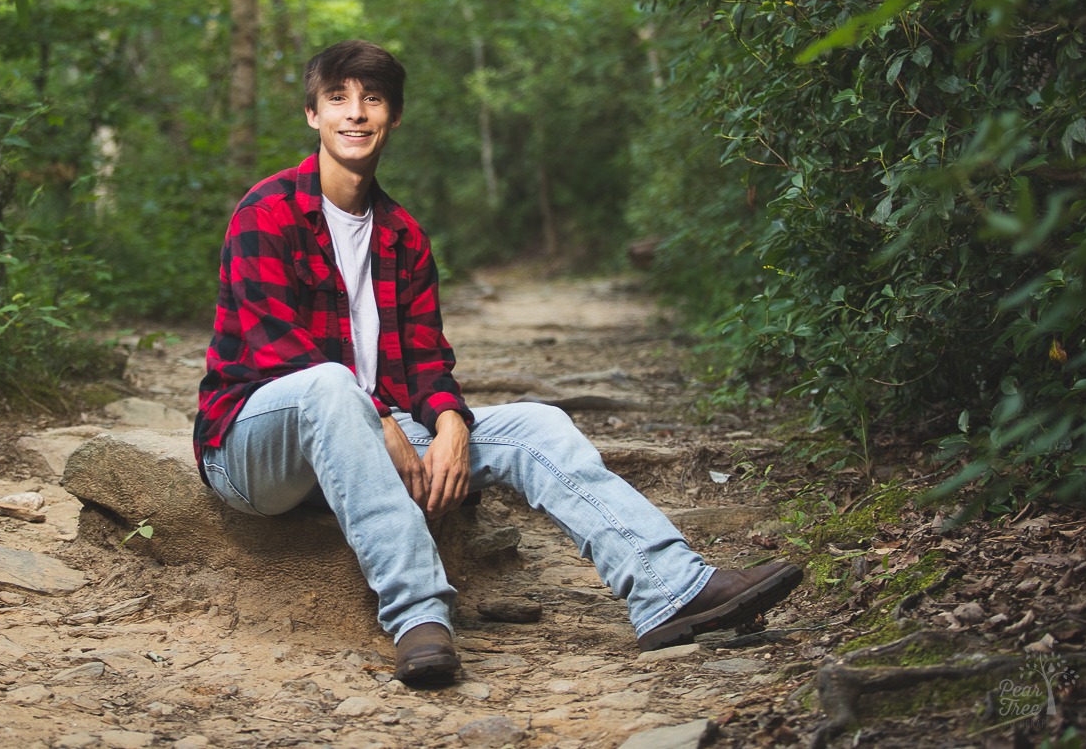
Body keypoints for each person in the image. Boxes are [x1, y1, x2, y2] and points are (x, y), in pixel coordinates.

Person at [194, 39, 801, 684]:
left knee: (536, 425)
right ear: (312, 115)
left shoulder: (404, 236)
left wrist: (451, 422)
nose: (356, 113)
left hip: (368, 445)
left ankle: (671, 588)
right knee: (328, 384)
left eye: (372, 99)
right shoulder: (268, 212)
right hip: (255, 452)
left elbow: (425, 358)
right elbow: (277, 349)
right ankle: (418, 616)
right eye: (337, 98)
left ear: (394, 117)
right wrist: (386, 424)